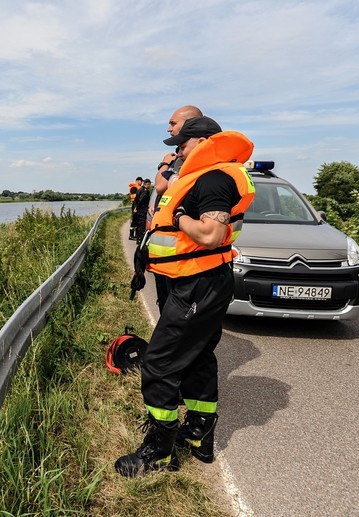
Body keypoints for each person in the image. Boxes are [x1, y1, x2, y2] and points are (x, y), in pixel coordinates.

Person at [117, 116, 255, 476]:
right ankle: (198, 435)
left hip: (198, 283)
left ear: (203, 141)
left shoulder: (214, 178)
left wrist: (178, 217)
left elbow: (210, 234)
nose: (177, 152)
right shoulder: (207, 176)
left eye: (181, 145)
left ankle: (159, 451)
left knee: (159, 363)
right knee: (197, 357)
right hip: (201, 281)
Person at [150, 106, 203, 308]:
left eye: (173, 123)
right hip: (172, 256)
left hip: (183, 257)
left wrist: (164, 164)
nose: (168, 128)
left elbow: (161, 185)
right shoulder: (182, 155)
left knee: (177, 316)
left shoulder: (185, 160)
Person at [132, 178, 153, 246]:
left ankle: (138, 239)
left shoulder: (140, 190)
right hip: (142, 210)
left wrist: (136, 208)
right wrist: (137, 207)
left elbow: (136, 200)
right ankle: (140, 239)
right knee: (142, 225)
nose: (150, 185)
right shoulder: (145, 191)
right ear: (147, 184)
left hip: (139, 210)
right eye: (149, 184)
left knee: (138, 225)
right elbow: (141, 200)